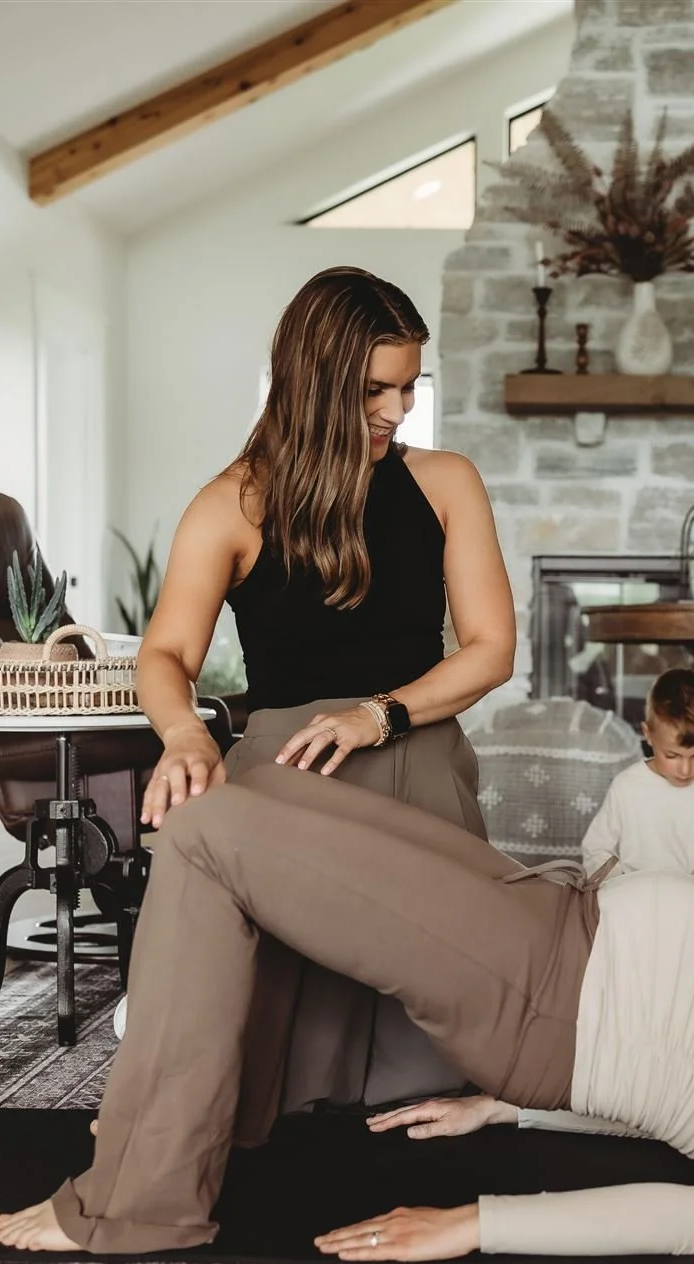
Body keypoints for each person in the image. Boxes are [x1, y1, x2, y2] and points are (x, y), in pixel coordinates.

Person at [0, 762, 694, 1256]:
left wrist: (478, 1221)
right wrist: (505, 1114)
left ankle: (136, 1199)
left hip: (540, 988)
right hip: (554, 931)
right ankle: (222, 1123)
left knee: (206, 835)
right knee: (269, 795)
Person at [128, 265, 515, 1124]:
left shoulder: (446, 482)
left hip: (411, 747)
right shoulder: (230, 504)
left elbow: (491, 651)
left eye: (411, 386)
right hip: (291, 772)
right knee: (257, 1077)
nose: (397, 409)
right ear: (312, 380)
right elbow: (164, 652)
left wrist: (379, 714)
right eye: (375, 388)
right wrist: (185, 735)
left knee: (455, 1034)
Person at [580, 669, 694, 894]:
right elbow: (597, 850)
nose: (685, 770)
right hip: (637, 901)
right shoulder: (628, 786)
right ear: (648, 734)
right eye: (672, 756)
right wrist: (620, 889)